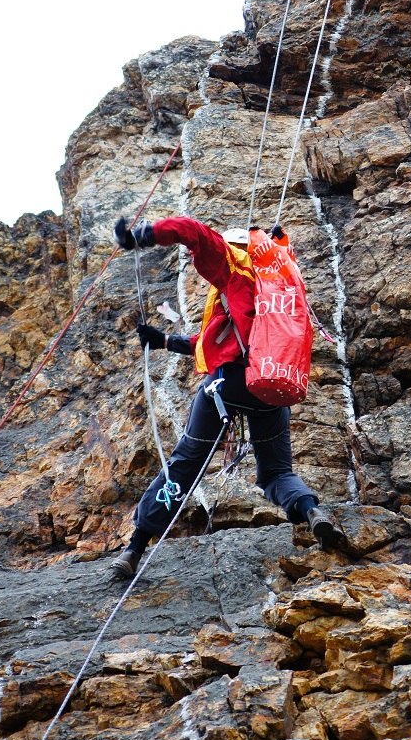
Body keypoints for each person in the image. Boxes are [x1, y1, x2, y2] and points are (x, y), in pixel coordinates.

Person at [110, 215, 344, 578]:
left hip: (228, 387)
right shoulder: (275, 284)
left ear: (233, 249)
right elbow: (219, 342)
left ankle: (135, 547)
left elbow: (192, 232)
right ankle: (310, 509)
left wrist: (142, 236)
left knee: (186, 464)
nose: (196, 264)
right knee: (278, 472)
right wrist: (167, 341)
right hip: (271, 388)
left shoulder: (233, 267)